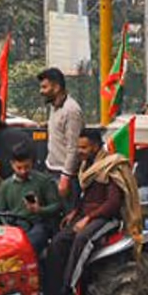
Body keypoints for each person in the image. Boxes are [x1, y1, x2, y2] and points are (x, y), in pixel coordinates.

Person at [42, 129, 141, 295]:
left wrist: (88, 218)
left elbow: (112, 203)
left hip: (105, 218)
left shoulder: (110, 167)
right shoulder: (85, 167)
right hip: (84, 214)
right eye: (78, 147)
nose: (80, 151)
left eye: (84, 147)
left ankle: (70, 289)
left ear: (95, 146)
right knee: (58, 241)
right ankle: (51, 292)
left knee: (82, 239)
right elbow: (85, 196)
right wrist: (75, 212)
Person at [0, 143, 61, 253]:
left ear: (32, 163)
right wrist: (6, 226)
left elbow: (56, 206)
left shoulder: (43, 181)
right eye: (19, 168)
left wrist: (40, 210)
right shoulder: (5, 185)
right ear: (12, 164)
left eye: (27, 167)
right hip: (13, 226)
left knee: (29, 243)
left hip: (36, 224)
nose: (23, 171)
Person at [39, 67, 84, 201]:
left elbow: (73, 147)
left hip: (64, 174)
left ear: (57, 87)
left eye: (44, 87)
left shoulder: (71, 111)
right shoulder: (54, 106)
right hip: (51, 169)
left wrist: (66, 176)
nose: (41, 91)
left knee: (67, 215)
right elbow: (60, 128)